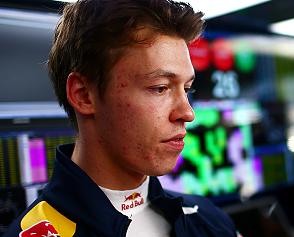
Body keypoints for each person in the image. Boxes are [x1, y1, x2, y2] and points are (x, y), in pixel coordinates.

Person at [4, 0, 238, 236]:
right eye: (159, 88)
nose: (187, 113)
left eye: (186, 89)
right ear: (83, 95)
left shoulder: (209, 219)